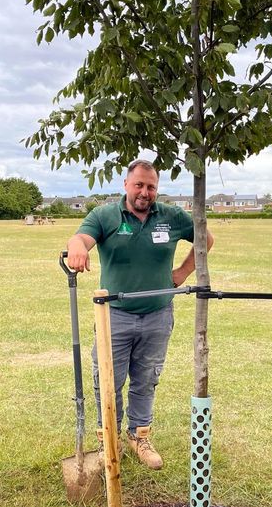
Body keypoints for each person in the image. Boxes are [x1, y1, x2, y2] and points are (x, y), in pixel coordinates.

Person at [66, 159, 214, 470]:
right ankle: (109, 439)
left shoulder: (171, 216)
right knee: (107, 380)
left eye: (151, 187)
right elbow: (81, 238)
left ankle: (139, 436)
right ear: (126, 185)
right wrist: (76, 247)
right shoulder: (105, 215)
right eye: (139, 185)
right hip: (114, 317)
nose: (144, 192)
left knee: (146, 380)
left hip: (158, 316)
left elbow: (206, 239)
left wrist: (183, 273)